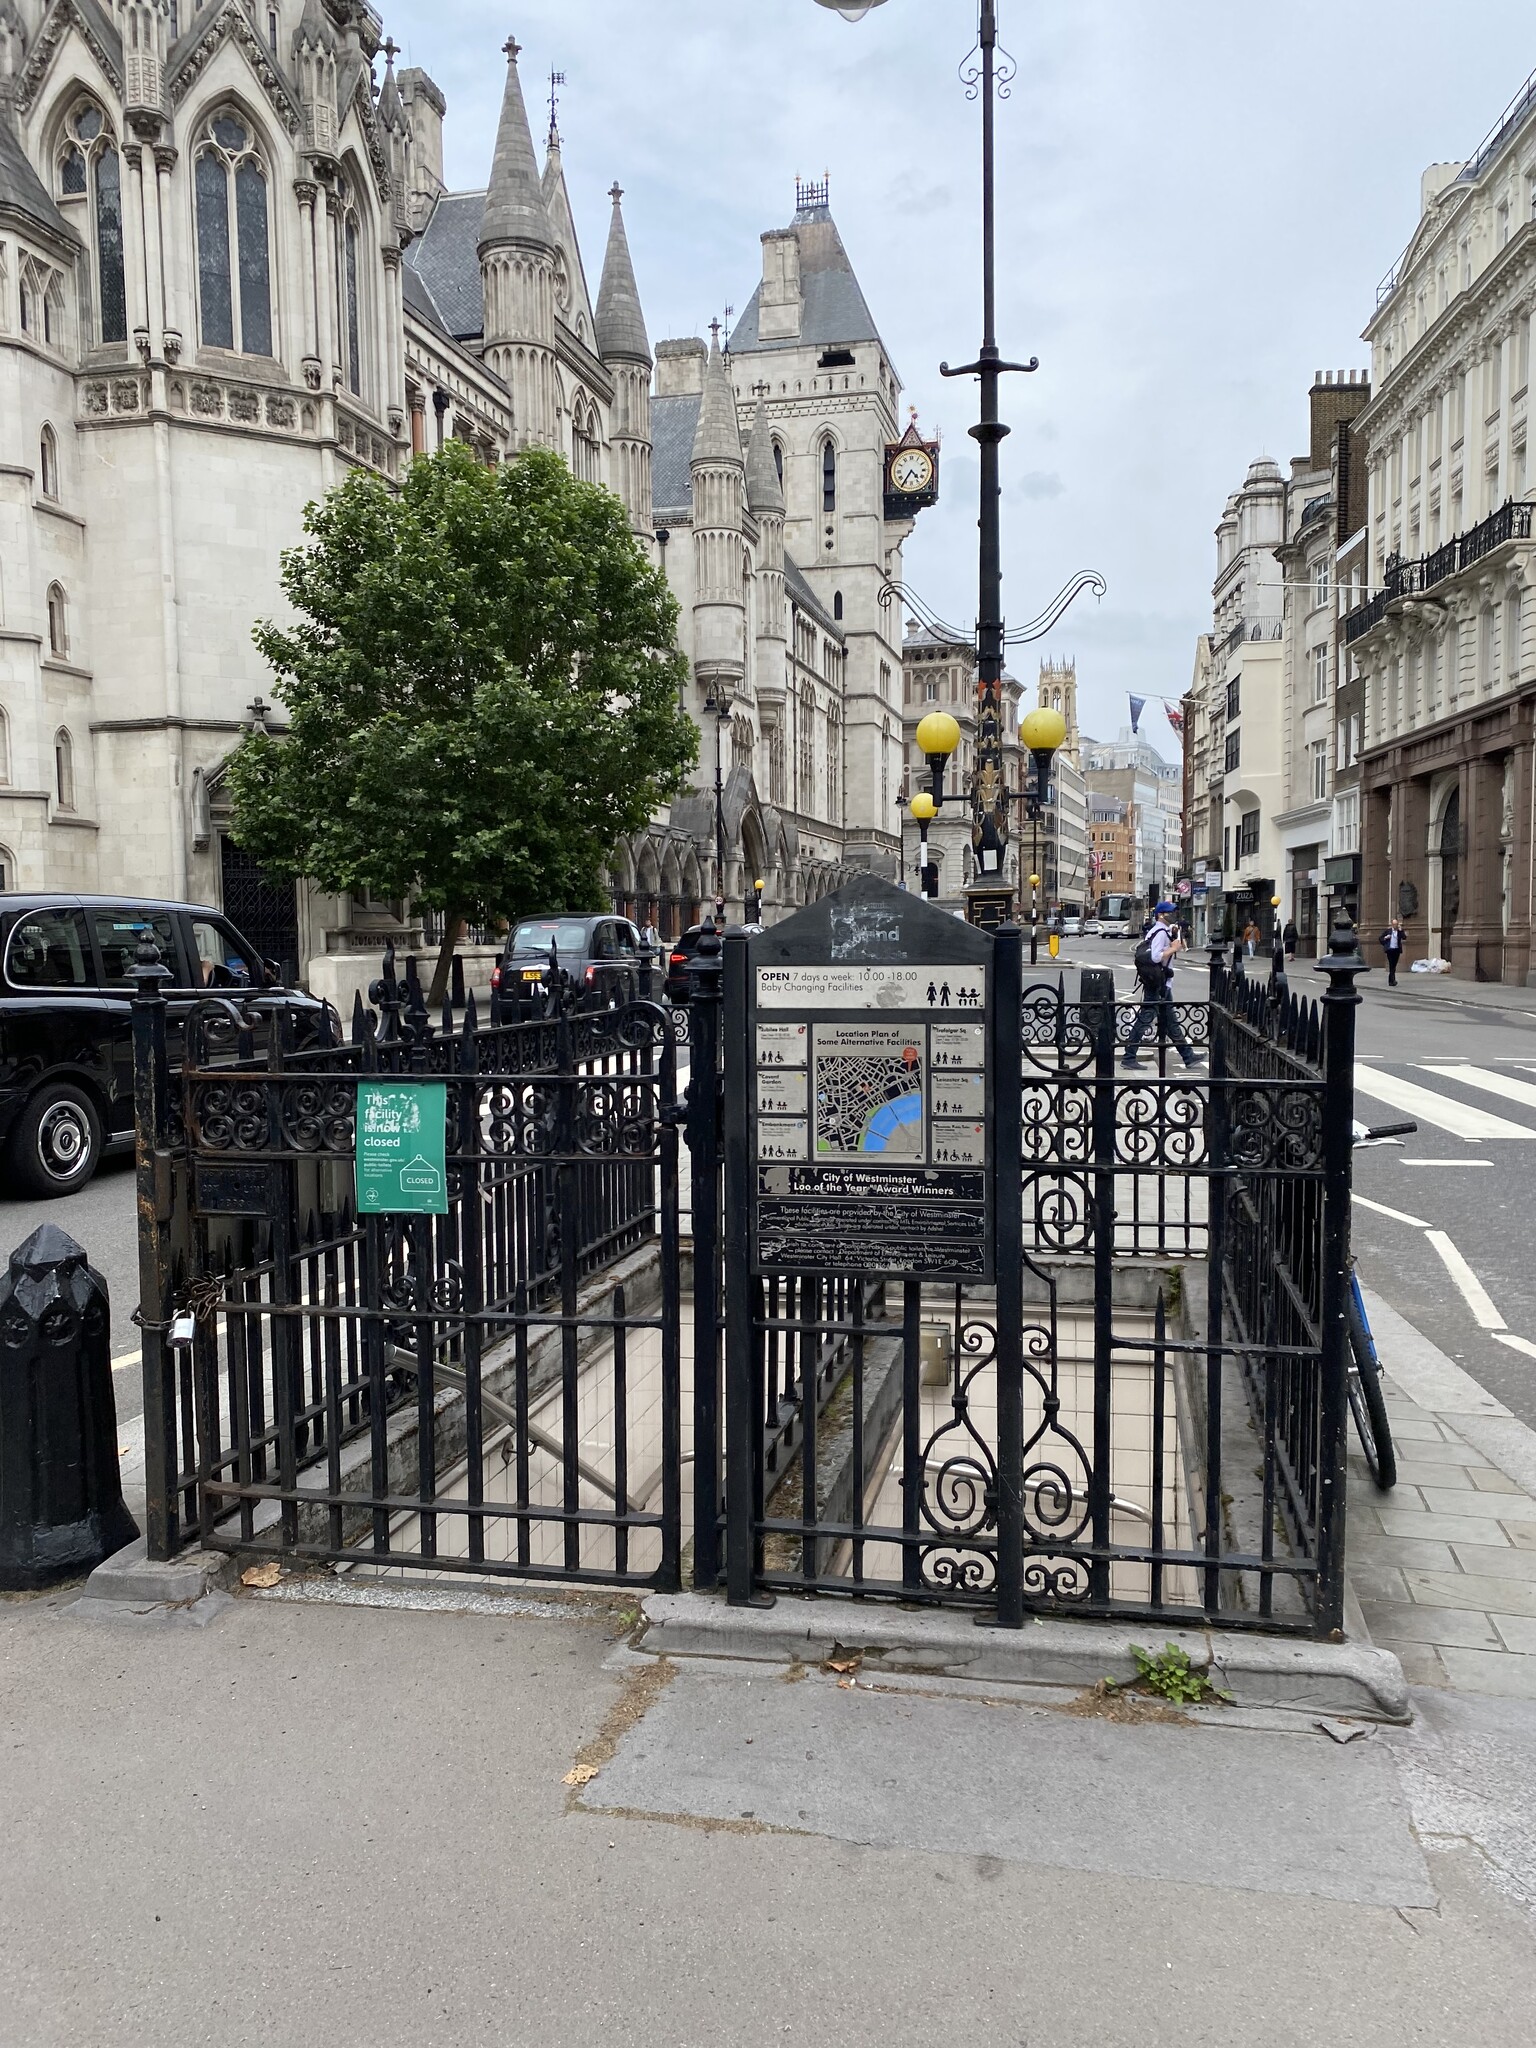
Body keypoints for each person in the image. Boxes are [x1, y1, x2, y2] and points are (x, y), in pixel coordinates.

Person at [1123, 901, 1203, 1071]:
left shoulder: (1161, 930)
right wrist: (1173, 948)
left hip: (1160, 982)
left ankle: (1188, 1056)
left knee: (1170, 1022)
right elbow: (1155, 957)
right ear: (1160, 915)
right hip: (1158, 984)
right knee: (1145, 1019)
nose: (1173, 914)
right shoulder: (1159, 932)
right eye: (1169, 912)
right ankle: (1129, 1057)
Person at [1380, 918, 1406, 987]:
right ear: (1392, 924)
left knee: (1394, 965)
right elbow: (1380, 938)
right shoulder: (1388, 931)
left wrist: (1401, 930)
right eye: (1394, 924)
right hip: (1390, 950)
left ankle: (1391, 980)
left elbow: (1404, 937)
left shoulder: (1399, 931)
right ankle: (1392, 981)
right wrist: (1385, 938)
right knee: (1391, 965)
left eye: (1396, 924)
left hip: (1396, 950)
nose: (1395, 926)